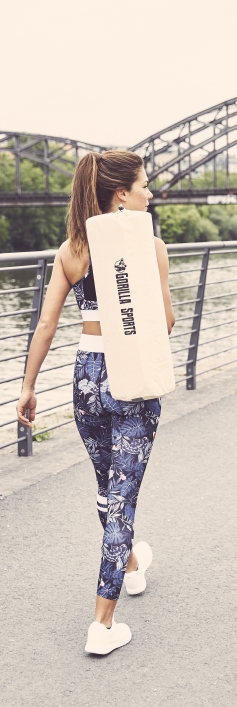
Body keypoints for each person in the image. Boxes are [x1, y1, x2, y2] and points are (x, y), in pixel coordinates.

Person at [16, 151, 175, 655]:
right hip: (131, 377)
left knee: (108, 491)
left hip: (85, 375)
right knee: (122, 500)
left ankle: (131, 565)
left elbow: (46, 324)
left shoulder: (72, 249)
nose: (149, 192)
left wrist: (27, 386)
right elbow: (166, 324)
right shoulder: (150, 248)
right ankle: (102, 625)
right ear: (121, 194)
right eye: (143, 185)